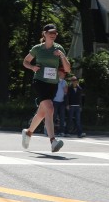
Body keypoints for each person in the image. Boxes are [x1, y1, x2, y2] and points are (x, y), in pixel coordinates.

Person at [20, 23, 71, 152]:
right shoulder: (37, 48)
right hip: (39, 82)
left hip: (53, 84)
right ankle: (53, 141)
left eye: (55, 33)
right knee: (50, 108)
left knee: (42, 113)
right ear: (44, 34)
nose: (53, 35)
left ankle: (28, 132)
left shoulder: (59, 48)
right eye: (50, 33)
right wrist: (32, 67)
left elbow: (67, 69)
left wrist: (62, 56)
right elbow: (25, 61)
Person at [53, 70, 69, 136]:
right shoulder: (55, 81)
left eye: (64, 74)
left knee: (62, 117)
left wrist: (65, 88)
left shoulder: (64, 82)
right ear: (59, 73)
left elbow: (66, 91)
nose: (64, 74)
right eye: (63, 73)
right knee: (53, 117)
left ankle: (61, 131)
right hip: (54, 101)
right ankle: (49, 130)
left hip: (62, 102)